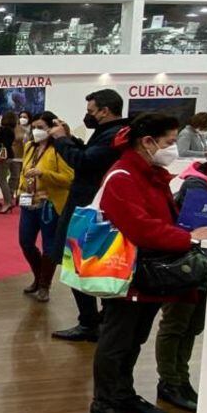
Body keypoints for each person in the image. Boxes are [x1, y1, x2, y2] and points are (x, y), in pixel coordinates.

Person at [90, 114, 207, 413]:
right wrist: (186, 238)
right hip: (128, 272)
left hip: (149, 273)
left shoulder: (148, 174)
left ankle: (123, 394)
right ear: (148, 142)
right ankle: (105, 400)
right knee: (117, 339)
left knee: (134, 337)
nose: (173, 149)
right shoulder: (123, 177)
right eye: (170, 142)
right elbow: (140, 228)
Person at [48, 89, 130, 342]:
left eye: (90, 111)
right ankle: (96, 320)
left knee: (78, 262)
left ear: (105, 111)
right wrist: (71, 139)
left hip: (90, 208)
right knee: (82, 262)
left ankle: (90, 322)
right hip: (92, 205)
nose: (88, 115)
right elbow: (89, 157)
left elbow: (83, 163)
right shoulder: (109, 134)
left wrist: (62, 141)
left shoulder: (113, 136)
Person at [155, 146, 207, 412]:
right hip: (186, 265)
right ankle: (169, 381)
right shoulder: (197, 184)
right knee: (177, 323)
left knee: (192, 326)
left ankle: (180, 378)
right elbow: (187, 225)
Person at [17, 112, 74, 303]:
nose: (36, 131)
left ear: (51, 129)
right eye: (34, 127)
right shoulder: (29, 147)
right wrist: (19, 190)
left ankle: (44, 285)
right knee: (25, 242)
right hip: (28, 202)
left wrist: (44, 173)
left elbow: (68, 179)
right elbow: (23, 172)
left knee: (49, 245)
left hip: (49, 204)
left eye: (40, 127)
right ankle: (38, 275)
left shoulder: (59, 150)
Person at [9, 112, 31, 199]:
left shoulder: (31, 129)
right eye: (21, 117)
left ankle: (20, 195)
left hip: (26, 156)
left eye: (25, 117)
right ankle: (10, 195)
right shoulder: (15, 128)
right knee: (15, 177)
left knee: (24, 177)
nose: (22, 119)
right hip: (15, 156)